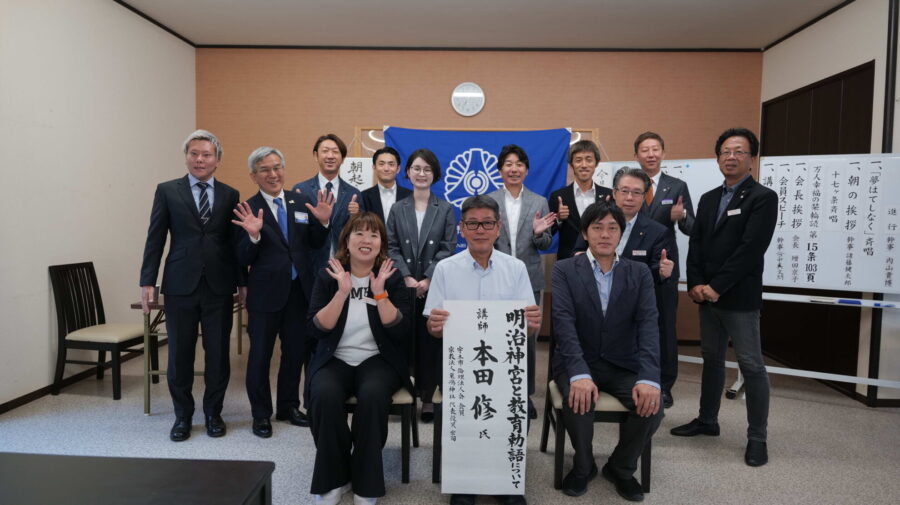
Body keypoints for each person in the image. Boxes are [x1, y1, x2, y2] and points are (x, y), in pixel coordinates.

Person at [670, 128, 777, 468]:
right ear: (718, 158)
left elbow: (750, 250)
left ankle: (757, 438)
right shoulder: (709, 198)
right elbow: (698, 244)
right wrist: (696, 284)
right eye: (726, 151)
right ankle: (707, 420)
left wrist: (716, 286)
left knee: (752, 366)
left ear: (751, 158)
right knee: (712, 359)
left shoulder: (763, 197)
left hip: (739, 298)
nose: (731, 156)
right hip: (707, 296)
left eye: (739, 151)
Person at [425, 195, 542, 505]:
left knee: (514, 407)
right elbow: (432, 328)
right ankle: (464, 481)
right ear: (461, 229)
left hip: (505, 369)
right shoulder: (446, 269)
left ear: (497, 227)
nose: (480, 229)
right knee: (463, 410)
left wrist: (532, 323)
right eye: (472, 223)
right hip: (460, 368)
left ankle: (506, 482)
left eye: (487, 223)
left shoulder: (515, 268)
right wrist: (434, 326)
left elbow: (527, 329)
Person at [551, 200, 662, 501]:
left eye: (612, 228)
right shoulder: (564, 270)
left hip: (623, 363)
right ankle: (583, 466)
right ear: (585, 233)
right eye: (597, 227)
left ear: (621, 234)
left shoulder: (639, 274)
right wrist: (579, 373)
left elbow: (649, 326)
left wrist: (649, 377)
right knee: (578, 400)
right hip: (578, 361)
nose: (605, 234)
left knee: (654, 404)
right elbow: (564, 324)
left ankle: (621, 467)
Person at [139, 130, 243, 442]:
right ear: (186, 156)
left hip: (219, 286)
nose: (200, 159)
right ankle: (182, 416)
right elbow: (155, 237)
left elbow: (234, 244)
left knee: (218, 354)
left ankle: (213, 413)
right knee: (180, 355)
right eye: (194, 153)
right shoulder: (168, 191)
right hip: (179, 284)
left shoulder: (230, 194)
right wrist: (148, 281)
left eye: (206, 154)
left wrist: (243, 282)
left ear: (218, 160)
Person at [306, 212, 412, 505]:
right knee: (324, 394)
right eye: (359, 233)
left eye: (374, 235)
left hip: (379, 359)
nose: (366, 240)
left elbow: (402, 330)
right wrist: (341, 293)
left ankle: (366, 480)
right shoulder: (329, 274)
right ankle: (335, 476)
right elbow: (316, 328)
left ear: (382, 243)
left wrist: (380, 295)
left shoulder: (391, 276)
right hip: (335, 357)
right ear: (346, 240)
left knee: (374, 393)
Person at [231, 147, 334, 437]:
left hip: (300, 291)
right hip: (265, 295)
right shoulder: (246, 209)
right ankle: (261, 415)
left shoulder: (299, 200)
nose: (273, 174)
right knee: (260, 355)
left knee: (295, 353)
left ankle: (288, 406)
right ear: (254, 175)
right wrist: (253, 235)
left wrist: (324, 222)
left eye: (277, 167)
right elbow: (240, 257)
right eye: (265, 169)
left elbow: (313, 243)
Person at [385, 148, 457, 423]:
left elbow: (448, 247)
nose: (421, 173)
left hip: (433, 285)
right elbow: (391, 246)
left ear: (435, 174)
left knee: (429, 343)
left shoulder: (446, 208)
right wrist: (405, 277)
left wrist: (428, 278)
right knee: (403, 339)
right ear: (407, 173)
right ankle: (404, 391)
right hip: (403, 285)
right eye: (416, 168)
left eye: (427, 169)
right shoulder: (397, 207)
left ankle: (427, 398)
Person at [487, 144, 556, 419]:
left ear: (526, 170)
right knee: (494, 336)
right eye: (508, 164)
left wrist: (539, 233)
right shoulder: (489, 200)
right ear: (500, 169)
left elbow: (545, 242)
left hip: (529, 277)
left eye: (519, 164)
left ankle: (523, 395)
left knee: (526, 339)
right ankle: (495, 390)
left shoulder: (539, 201)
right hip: (493, 276)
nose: (514, 169)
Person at [633, 131, 695, 407]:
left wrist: (681, 217)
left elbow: (692, 228)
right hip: (631, 265)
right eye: (644, 150)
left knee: (665, 327)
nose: (650, 154)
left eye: (655, 149)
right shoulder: (629, 183)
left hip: (664, 265)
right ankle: (633, 377)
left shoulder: (677, 185)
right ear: (636, 155)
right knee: (628, 322)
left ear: (663, 153)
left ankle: (665, 384)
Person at [292, 133, 363, 273]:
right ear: (315, 155)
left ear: (342, 158)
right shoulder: (301, 190)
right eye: (325, 151)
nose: (330, 156)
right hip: (311, 265)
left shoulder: (353, 193)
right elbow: (297, 232)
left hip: (344, 265)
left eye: (335, 152)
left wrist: (355, 216)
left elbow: (359, 232)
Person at [549, 140, 613, 260]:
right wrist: (558, 219)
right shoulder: (558, 196)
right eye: (578, 160)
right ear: (571, 164)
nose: (584, 165)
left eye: (589, 160)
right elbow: (548, 234)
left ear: (596, 163)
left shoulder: (608, 195)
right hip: (568, 261)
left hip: (602, 259)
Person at [360, 146, 412, 224]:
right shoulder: (363, 196)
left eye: (391, 164)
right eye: (381, 164)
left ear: (398, 169)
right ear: (374, 167)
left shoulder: (410, 196)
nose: (386, 169)